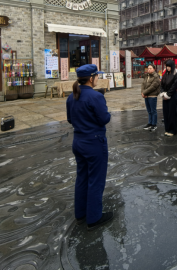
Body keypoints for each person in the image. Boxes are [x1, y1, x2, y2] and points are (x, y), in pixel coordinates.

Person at [66, 64, 113, 230]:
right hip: (94, 143)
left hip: (78, 141)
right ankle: (94, 217)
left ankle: (80, 214)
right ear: (91, 78)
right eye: (97, 76)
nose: (98, 78)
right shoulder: (95, 96)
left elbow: (70, 119)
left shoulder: (71, 96)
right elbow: (104, 119)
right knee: (96, 180)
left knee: (82, 178)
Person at [160, 60, 177, 137]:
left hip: (172, 96)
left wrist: (167, 95)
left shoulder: (175, 75)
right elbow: (161, 85)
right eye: (166, 66)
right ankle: (167, 129)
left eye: (169, 66)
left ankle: (172, 130)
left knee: (172, 113)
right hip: (164, 95)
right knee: (166, 113)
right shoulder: (165, 74)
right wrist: (162, 93)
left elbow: (174, 86)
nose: (167, 68)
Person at [141, 64, 160, 131]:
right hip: (146, 95)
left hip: (152, 95)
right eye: (148, 68)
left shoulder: (156, 77)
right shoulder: (146, 76)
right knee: (149, 111)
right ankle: (150, 123)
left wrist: (144, 92)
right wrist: (142, 92)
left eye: (150, 68)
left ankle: (154, 124)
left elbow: (153, 87)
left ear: (154, 69)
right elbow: (143, 84)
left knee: (153, 111)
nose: (148, 69)